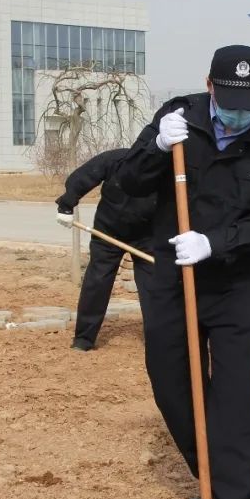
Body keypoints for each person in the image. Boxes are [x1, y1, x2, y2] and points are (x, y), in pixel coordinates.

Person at [116, 45, 250, 499]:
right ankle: (210, 476)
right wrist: (155, 146)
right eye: (231, 102)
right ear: (209, 86)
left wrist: (216, 242)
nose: (241, 114)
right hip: (169, 277)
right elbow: (127, 184)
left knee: (238, 393)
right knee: (171, 379)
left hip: (236, 280)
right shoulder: (176, 119)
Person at [55, 149, 156, 351]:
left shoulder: (166, 168)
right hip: (108, 232)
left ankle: (157, 337)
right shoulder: (115, 159)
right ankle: (84, 338)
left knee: (155, 287)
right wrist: (66, 205)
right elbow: (83, 176)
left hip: (148, 235)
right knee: (97, 281)